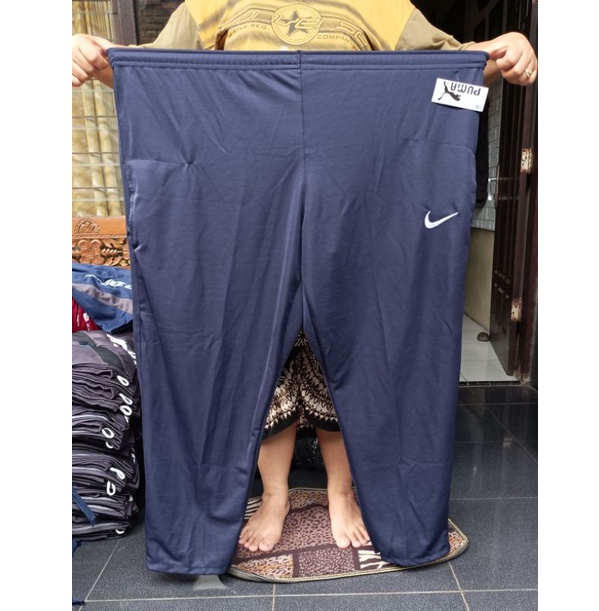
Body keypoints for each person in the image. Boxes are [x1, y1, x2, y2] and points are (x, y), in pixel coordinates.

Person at [72, 0, 537, 558]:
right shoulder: (210, 4)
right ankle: (271, 498)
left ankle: (344, 493)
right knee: (247, 349)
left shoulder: (381, 5)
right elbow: (148, 73)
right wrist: (93, 54)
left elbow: (453, 68)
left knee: (354, 340)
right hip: (239, 183)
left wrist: (505, 50)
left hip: (357, 184)